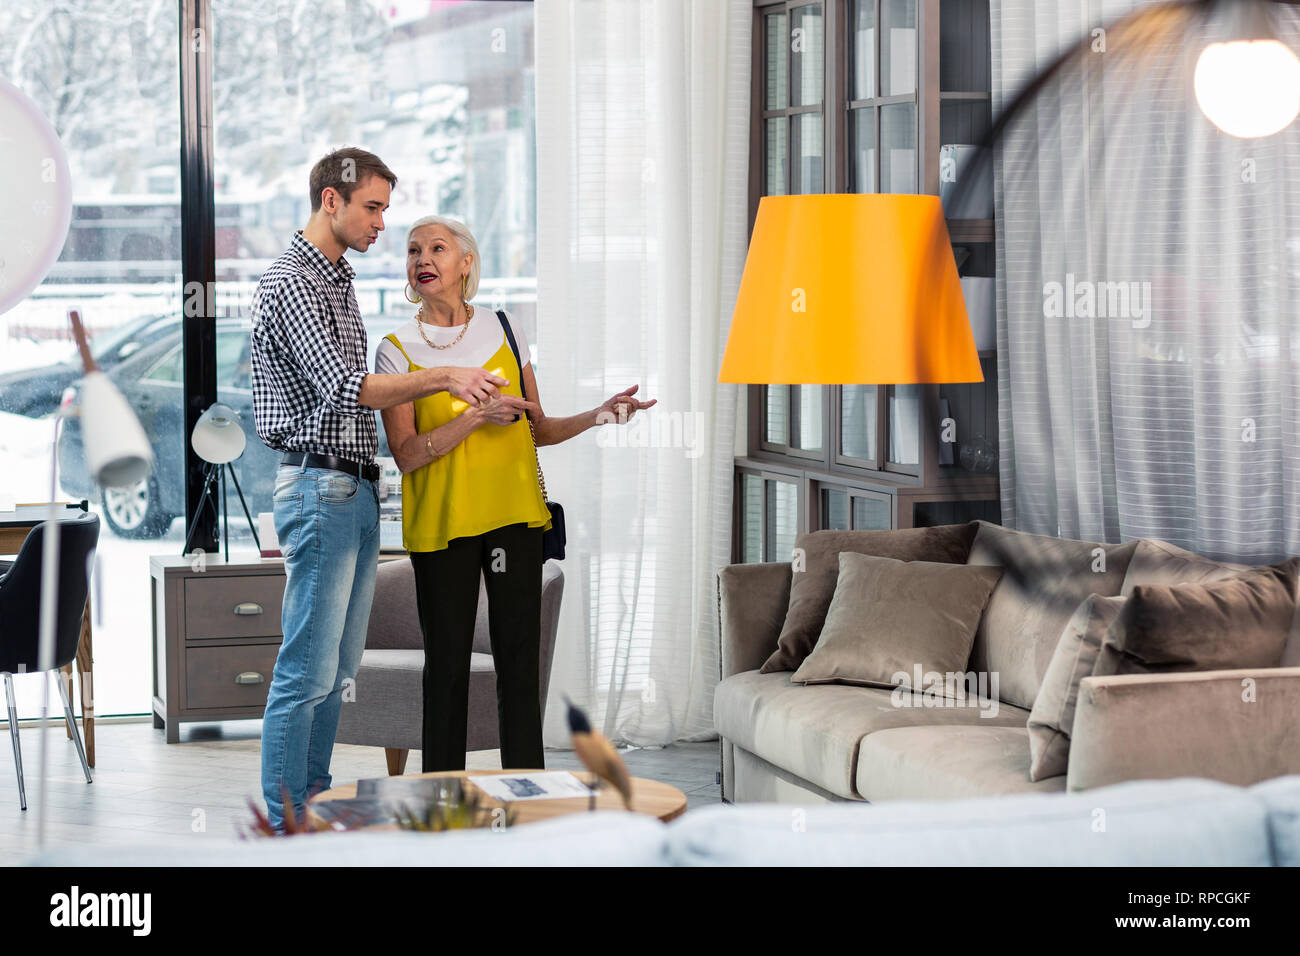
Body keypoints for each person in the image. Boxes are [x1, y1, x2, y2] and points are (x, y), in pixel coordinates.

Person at [250, 149, 508, 831]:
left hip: (354, 491)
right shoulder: (293, 283)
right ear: (331, 202)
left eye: (385, 209)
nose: (383, 224)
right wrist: (444, 377)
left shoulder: (336, 279)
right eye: (373, 207)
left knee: (336, 673)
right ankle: (284, 823)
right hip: (318, 488)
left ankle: (313, 806)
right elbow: (347, 386)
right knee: (306, 670)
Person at [376, 215, 655, 771]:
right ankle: (443, 798)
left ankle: (527, 794)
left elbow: (539, 429)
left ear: (466, 262)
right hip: (443, 527)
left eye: (436, 248)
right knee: (448, 667)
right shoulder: (394, 349)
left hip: (514, 520)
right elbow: (407, 455)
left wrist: (600, 415)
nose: (422, 259)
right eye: (412, 251)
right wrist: (476, 418)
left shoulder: (505, 327)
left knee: (519, 666)